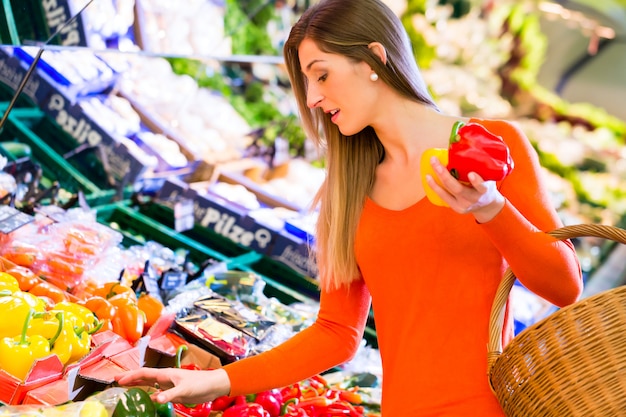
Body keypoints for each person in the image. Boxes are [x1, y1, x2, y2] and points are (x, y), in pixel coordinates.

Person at [115, 0, 582, 415]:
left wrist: (490, 208)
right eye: (306, 82)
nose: (314, 98)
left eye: (322, 74)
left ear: (374, 59)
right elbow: (336, 332)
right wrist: (215, 381)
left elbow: (564, 287)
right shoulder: (347, 190)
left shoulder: (491, 147)